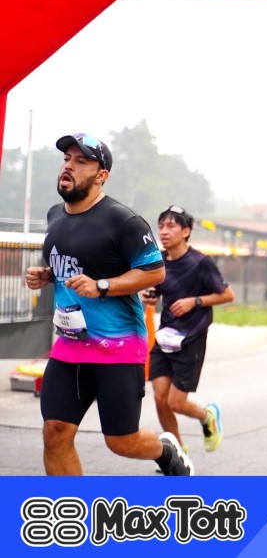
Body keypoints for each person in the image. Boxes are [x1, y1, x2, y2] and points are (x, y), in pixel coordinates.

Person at [24, 133, 193, 476]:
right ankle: (71, 507)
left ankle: (166, 451)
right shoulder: (55, 215)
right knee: (55, 433)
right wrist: (48, 275)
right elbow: (76, 265)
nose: (69, 166)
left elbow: (154, 271)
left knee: (121, 441)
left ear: (101, 175)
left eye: (81, 161)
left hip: (118, 347)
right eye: (67, 159)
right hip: (69, 346)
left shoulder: (123, 221)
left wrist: (102, 286)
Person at [141, 205, 235, 456]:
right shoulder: (159, 261)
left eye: (171, 226)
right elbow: (155, 291)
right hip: (165, 337)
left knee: (176, 402)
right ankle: (178, 452)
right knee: (159, 398)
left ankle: (207, 416)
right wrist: (150, 297)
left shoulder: (201, 262)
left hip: (191, 337)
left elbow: (227, 295)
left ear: (186, 231)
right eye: (161, 226)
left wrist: (195, 301)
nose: (164, 231)